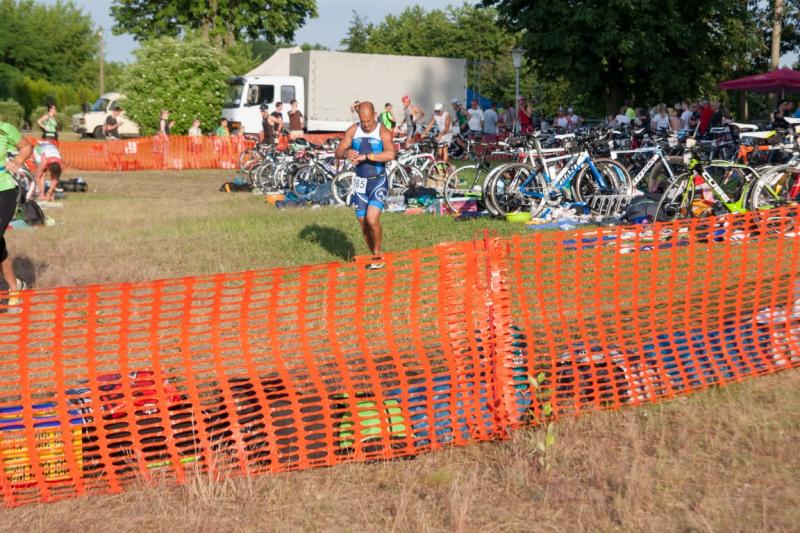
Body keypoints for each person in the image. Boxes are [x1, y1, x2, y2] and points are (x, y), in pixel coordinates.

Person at [334, 102, 395, 270]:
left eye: (368, 121)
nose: (366, 125)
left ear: (374, 115)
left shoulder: (382, 131)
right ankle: (374, 256)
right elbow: (338, 152)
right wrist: (346, 153)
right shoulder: (353, 130)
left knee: (371, 219)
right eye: (362, 121)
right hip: (360, 183)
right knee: (363, 224)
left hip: (378, 181)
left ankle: (378, 254)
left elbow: (391, 154)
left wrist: (367, 156)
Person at [0, 122, 33, 307]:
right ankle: (15, 287)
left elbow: (26, 147)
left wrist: (18, 160)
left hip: (4, 191)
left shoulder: (5, 129)